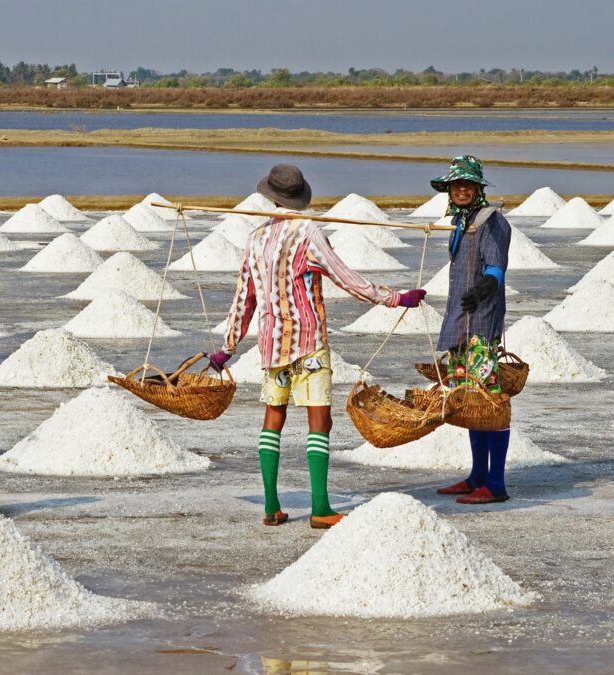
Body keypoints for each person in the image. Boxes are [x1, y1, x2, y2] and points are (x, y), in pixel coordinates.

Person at [209, 164, 427, 529]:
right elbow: (347, 278)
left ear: (271, 197)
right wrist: (395, 298)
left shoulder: (256, 238)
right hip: (308, 344)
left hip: (272, 344)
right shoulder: (308, 233)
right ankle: (321, 507)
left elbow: (244, 298)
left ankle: (272, 506)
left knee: (273, 418)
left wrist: (228, 346)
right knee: (319, 420)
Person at [428, 156, 513, 505]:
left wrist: (484, 287)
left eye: (467, 184)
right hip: (460, 322)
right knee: (471, 401)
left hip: (481, 324)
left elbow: (496, 267)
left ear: (478, 188)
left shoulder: (491, 221)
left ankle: (495, 484)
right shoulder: (462, 223)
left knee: (489, 401)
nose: (461, 189)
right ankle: (477, 475)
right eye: (455, 184)